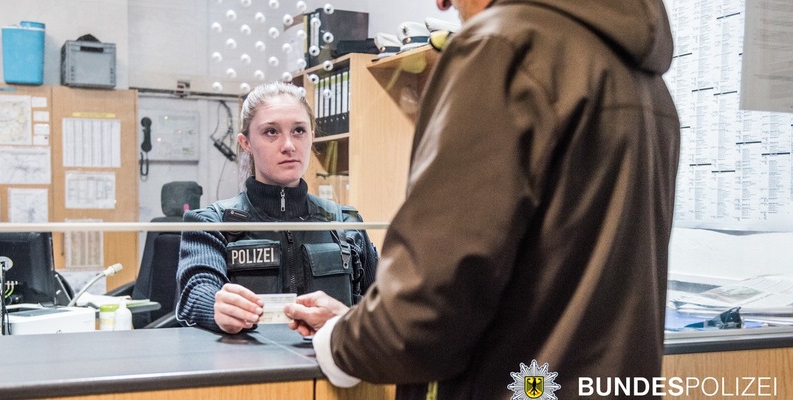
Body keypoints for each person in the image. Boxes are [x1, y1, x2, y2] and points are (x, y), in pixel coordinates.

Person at [284, 0, 680, 399]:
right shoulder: (645, 83)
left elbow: (424, 312)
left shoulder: (503, 46)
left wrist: (339, 342)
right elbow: (553, 282)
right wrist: (360, 323)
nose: (442, 3)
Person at [176, 81, 378, 334]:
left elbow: (383, 307)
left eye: (299, 131)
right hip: (248, 369)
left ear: (312, 136)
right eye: (271, 132)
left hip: (330, 367)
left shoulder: (345, 224)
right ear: (245, 142)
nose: (289, 145)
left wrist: (346, 319)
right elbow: (196, 292)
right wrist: (216, 307)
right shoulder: (211, 222)